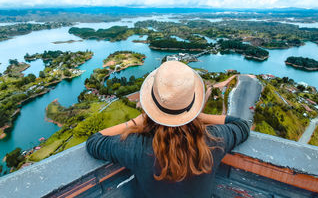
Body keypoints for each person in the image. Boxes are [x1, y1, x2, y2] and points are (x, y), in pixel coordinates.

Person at [86, 61, 250, 197]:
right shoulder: (214, 140)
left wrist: (137, 122)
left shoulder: (136, 146)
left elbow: (94, 142)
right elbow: (241, 126)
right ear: (191, 104)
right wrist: (199, 117)